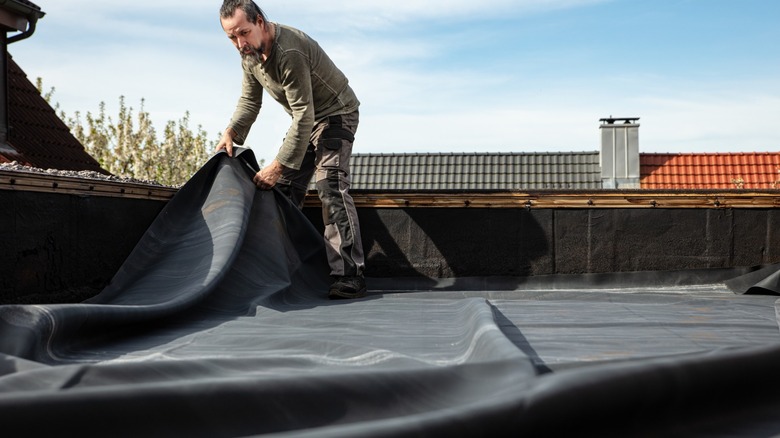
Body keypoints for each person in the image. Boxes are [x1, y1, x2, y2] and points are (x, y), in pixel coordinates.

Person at [216, 0, 366, 299]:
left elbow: (303, 114)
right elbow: (249, 102)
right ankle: (283, 269)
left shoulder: (289, 50)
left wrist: (278, 165)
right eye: (232, 37)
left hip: (336, 113)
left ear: (260, 21)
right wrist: (231, 132)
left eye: (244, 33)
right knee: (282, 191)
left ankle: (350, 275)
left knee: (329, 183)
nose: (239, 43)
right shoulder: (250, 56)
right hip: (307, 120)